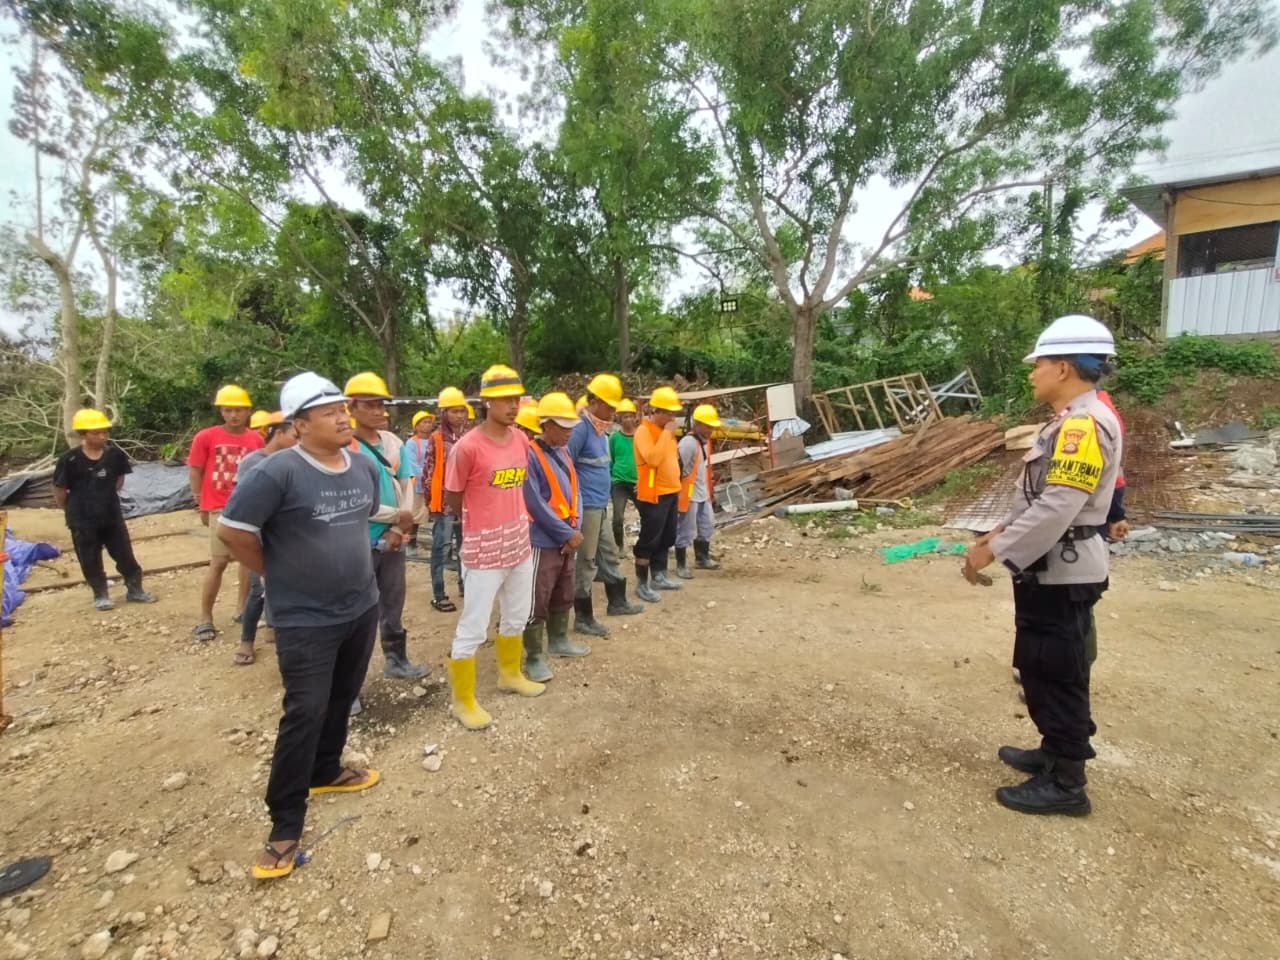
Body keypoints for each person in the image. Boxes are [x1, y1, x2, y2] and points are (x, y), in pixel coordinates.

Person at [218, 372, 382, 881]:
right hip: (305, 618)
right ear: (300, 424)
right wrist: (277, 572)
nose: (342, 418)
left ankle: (326, 769)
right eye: (328, 412)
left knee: (343, 695)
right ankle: (285, 822)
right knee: (304, 712)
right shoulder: (276, 473)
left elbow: (364, 519)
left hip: (361, 606)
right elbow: (232, 532)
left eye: (342, 408)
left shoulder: (362, 465)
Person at [963, 314, 1122, 818]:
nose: (1032, 373)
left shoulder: (1082, 427)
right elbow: (1038, 498)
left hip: (1063, 571)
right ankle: (1053, 752)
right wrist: (997, 532)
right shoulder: (1070, 421)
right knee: (1040, 666)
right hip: (1050, 568)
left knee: (1058, 672)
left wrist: (995, 550)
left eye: (1039, 364)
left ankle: (1067, 783)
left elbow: (1058, 506)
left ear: (1064, 368)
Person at [444, 364, 545, 730]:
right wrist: (479, 520)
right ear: (486, 402)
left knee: (517, 613)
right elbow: (453, 496)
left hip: (518, 542)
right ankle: (462, 700)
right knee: (474, 625)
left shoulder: (520, 440)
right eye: (504, 400)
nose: (513, 406)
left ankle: (510, 674)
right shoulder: (467, 448)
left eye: (516, 399)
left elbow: (518, 486)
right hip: (484, 550)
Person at [344, 372, 428, 685]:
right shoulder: (344, 447)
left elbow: (406, 482)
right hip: (356, 541)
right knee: (355, 610)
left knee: (393, 601)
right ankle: (350, 683)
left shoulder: (392, 443)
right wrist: (397, 518)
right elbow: (353, 501)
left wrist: (399, 526)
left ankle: (396, 660)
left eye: (381, 404)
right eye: (370, 405)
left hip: (392, 538)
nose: (378, 410)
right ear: (351, 407)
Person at [52, 409, 157, 611]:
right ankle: (100, 594)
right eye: (96, 433)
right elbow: (59, 489)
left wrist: (105, 496)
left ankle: (135, 589)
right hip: (82, 517)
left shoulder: (114, 455)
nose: (102, 436)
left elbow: (119, 479)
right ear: (83, 434)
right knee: (89, 557)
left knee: (124, 553)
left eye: (104, 432)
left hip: (111, 514)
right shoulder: (69, 459)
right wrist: (70, 509)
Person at [187, 384, 264, 642]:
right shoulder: (206, 437)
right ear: (221, 411)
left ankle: (241, 609)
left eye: (239, 410)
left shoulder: (256, 440)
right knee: (219, 561)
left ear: (248, 411)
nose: (234, 415)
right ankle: (205, 618)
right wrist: (199, 501)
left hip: (248, 507)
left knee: (247, 562)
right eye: (228, 410)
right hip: (219, 506)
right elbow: (196, 469)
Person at [567, 373, 642, 636]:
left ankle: (617, 602)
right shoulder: (580, 430)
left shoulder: (600, 432)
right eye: (609, 406)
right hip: (586, 507)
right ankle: (583, 617)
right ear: (594, 402)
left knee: (609, 553)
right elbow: (565, 467)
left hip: (599, 505)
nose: (613, 412)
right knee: (586, 560)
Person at [521, 392, 587, 681]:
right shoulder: (529, 455)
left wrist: (574, 528)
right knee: (538, 596)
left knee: (563, 590)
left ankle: (559, 639)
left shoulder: (563, 452)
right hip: (544, 539)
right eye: (563, 426)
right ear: (546, 425)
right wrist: (565, 533)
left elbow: (576, 491)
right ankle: (534, 655)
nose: (569, 432)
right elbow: (533, 502)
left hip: (568, 537)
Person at [231, 413, 298, 666]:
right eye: (294, 435)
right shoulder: (253, 462)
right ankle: (246, 642)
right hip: (260, 537)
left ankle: (277, 633)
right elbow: (245, 507)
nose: (298, 441)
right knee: (259, 590)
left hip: (287, 538)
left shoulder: (295, 461)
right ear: (278, 433)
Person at [631, 386, 685, 602]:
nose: (672, 418)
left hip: (670, 492)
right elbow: (652, 459)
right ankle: (642, 584)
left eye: (673, 414)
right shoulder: (644, 432)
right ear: (657, 411)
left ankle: (659, 575)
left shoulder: (665, 434)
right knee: (649, 539)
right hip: (654, 495)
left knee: (667, 536)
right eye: (669, 413)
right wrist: (666, 433)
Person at [422, 387, 468, 612]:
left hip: (465, 503)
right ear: (444, 413)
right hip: (444, 503)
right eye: (454, 411)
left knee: (465, 548)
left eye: (462, 411)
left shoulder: (469, 437)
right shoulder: (437, 438)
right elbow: (429, 471)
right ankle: (439, 594)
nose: (459, 415)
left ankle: (465, 586)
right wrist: (432, 502)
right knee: (441, 548)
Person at [674, 403, 723, 579]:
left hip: (701, 492)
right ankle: (681, 565)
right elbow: (678, 470)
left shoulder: (703, 442)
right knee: (686, 529)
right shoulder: (688, 444)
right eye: (708, 426)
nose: (711, 430)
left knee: (706, 525)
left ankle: (702, 558)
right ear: (698, 424)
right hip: (689, 493)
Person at [403, 411, 436, 556]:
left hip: (434, 483)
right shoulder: (411, 443)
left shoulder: (435, 440)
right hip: (418, 483)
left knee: (434, 514)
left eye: (429, 422)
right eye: (424, 422)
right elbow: (411, 463)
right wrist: (427, 475)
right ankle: (410, 545)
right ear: (416, 426)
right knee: (415, 515)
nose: (428, 425)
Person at [609, 398, 639, 550]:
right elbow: (611, 458)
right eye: (624, 416)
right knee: (618, 518)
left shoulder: (640, 436)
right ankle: (619, 545)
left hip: (637, 482)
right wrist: (611, 478)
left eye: (630, 416)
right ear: (619, 419)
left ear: (634, 417)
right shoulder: (614, 437)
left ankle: (643, 544)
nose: (627, 420)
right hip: (619, 481)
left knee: (647, 515)